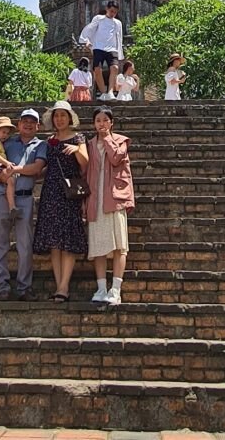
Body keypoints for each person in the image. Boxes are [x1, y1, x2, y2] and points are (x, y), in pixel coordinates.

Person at [0, 108, 48, 300]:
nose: (28, 124)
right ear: (19, 123)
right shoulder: (6, 141)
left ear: (38, 126)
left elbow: (37, 168)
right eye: (25, 121)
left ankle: (24, 288)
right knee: (0, 243)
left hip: (25, 197)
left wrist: (13, 170)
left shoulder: (41, 145)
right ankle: (2, 286)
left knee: (25, 245)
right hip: (1, 196)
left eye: (32, 121)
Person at [33, 100, 88, 301]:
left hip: (70, 192)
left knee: (68, 239)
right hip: (51, 191)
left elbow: (85, 164)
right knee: (54, 241)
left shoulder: (78, 138)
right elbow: (47, 167)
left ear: (70, 117)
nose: (59, 119)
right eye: (56, 116)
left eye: (63, 115)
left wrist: (76, 150)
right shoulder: (49, 141)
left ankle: (64, 286)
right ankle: (59, 286)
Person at [85, 106, 135, 305]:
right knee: (98, 246)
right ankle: (101, 288)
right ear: (94, 123)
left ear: (111, 123)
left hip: (115, 199)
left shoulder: (121, 141)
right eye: (98, 120)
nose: (102, 124)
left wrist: (106, 138)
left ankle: (116, 289)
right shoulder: (89, 144)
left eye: (106, 120)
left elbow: (115, 158)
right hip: (95, 199)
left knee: (119, 246)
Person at [79, 0, 124, 97]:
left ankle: (110, 92)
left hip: (112, 48)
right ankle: (103, 93)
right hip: (99, 47)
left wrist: (120, 52)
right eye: (111, 11)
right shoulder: (99, 18)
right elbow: (90, 29)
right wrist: (86, 40)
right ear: (107, 9)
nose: (113, 14)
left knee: (115, 68)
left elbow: (119, 37)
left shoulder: (118, 23)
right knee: (97, 70)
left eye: (115, 12)